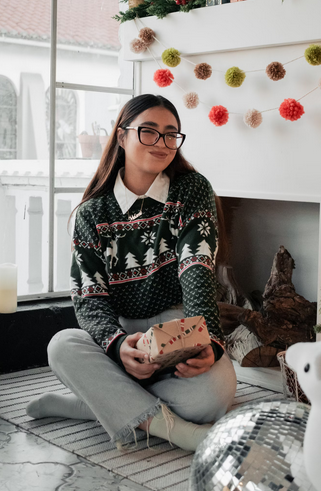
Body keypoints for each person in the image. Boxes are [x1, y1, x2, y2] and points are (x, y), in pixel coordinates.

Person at [26, 94, 237, 452]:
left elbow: (197, 269)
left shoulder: (191, 190)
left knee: (212, 398)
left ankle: (95, 402)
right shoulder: (91, 214)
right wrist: (119, 344)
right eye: (149, 132)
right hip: (123, 333)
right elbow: (90, 300)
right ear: (121, 136)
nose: (162, 143)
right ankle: (181, 433)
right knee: (61, 346)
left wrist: (210, 342)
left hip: (177, 327)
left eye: (171, 134)